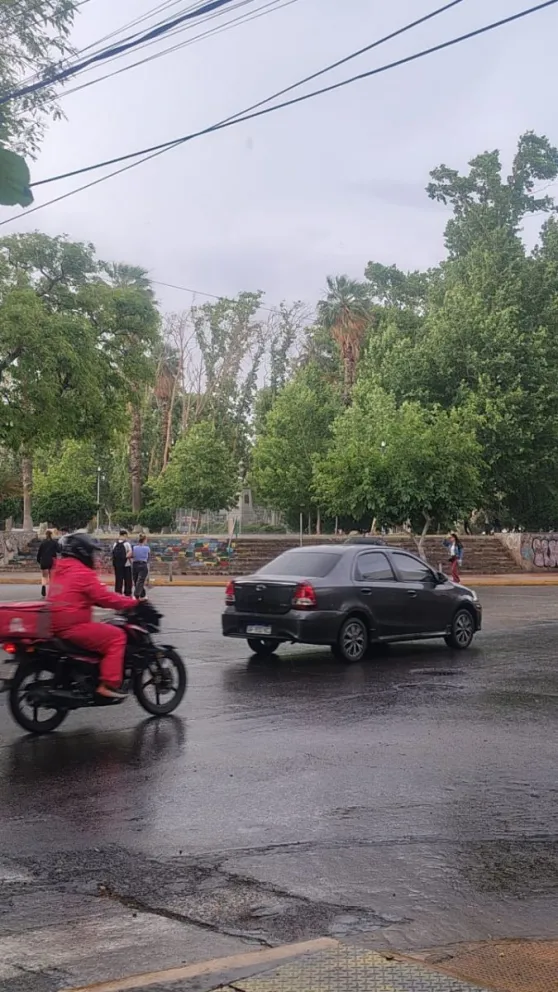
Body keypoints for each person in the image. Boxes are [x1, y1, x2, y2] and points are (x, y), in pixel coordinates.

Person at [48, 533, 135, 700]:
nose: (94, 557)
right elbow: (105, 597)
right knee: (117, 636)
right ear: (83, 552)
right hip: (73, 626)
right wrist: (132, 603)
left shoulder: (60, 569)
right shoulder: (82, 572)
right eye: (92, 553)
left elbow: (78, 595)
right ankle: (107, 684)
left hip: (55, 624)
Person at [36, 529, 58, 598]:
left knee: (44, 576)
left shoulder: (43, 543)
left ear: (46, 535)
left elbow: (39, 553)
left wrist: (39, 561)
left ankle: (43, 588)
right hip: (52, 560)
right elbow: (59, 550)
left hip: (44, 561)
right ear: (51, 535)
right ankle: (51, 591)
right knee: (51, 576)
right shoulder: (54, 542)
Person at [112, 529, 132, 596]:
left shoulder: (115, 544)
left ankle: (118, 592)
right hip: (126, 564)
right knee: (127, 579)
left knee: (118, 579)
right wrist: (126, 558)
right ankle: (127, 592)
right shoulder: (127, 544)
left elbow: (113, 554)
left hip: (117, 565)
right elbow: (130, 553)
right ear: (125, 535)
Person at [132, 534, 150, 600]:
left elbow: (132, 555)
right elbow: (148, 557)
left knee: (136, 580)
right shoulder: (147, 548)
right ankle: (136, 595)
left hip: (135, 564)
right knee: (140, 581)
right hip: (143, 564)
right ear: (144, 540)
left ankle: (142, 595)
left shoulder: (134, 547)